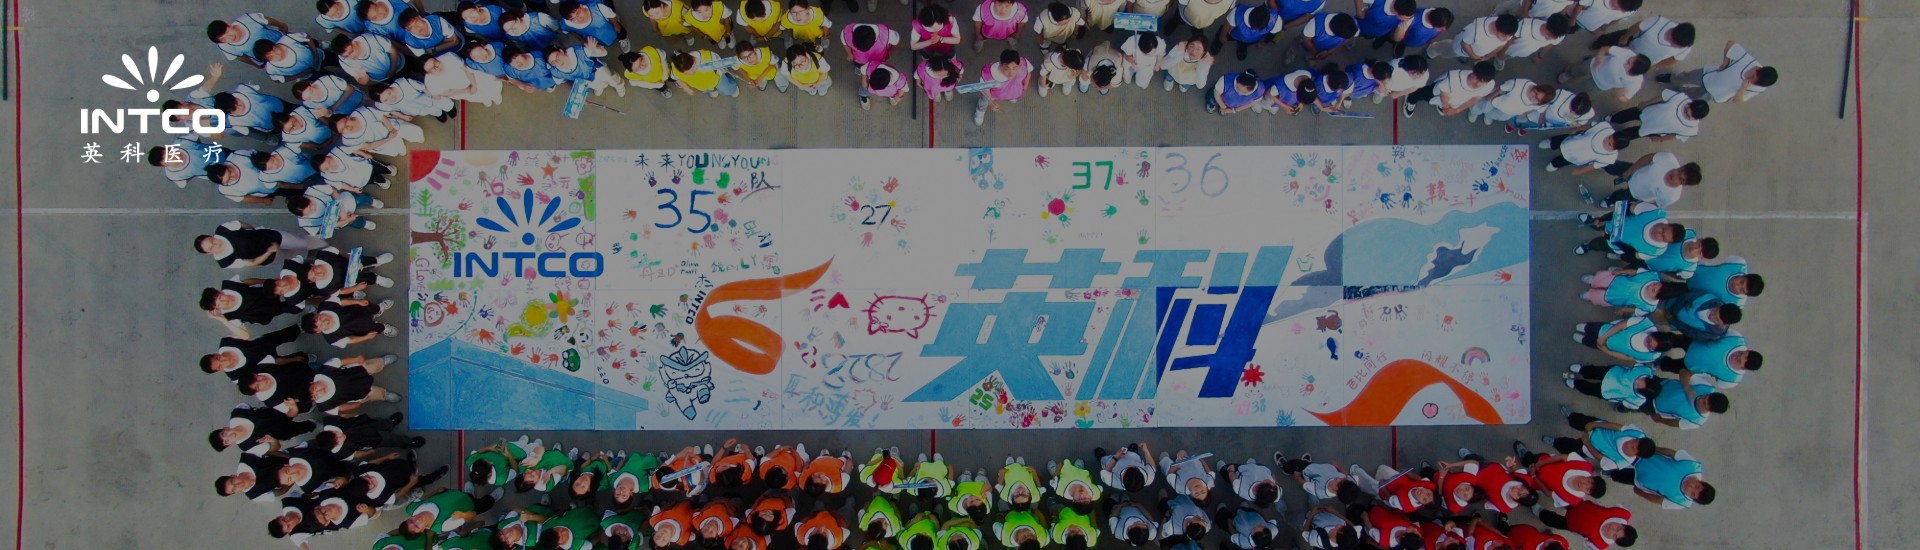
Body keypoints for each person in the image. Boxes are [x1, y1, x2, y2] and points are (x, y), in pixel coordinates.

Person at [1546, 407, 1657, 472]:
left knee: (1570, 447)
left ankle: (1555, 442)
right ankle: (1571, 416)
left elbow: (1599, 456)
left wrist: (1586, 442)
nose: (1629, 443)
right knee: (1581, 420)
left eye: (1633, 448)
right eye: (1634, 441)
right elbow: (1616, 427)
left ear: (1637, 455)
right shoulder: (1638, 434)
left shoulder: (1619, 462)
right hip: (1599, 428)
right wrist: (1594, 424)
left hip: (1589, 447)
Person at [1663, 40, 1775, 104]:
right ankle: (1671, 79)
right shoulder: (1746, 60)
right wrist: (1726, 61)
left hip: (1713, 94)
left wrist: (1743, 89)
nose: (1751, 80)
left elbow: (1737, 101)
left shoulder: (1758, 87)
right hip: (1708, 74)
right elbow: (1731, 43)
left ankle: (1676, 94)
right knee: (1686, 77)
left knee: (1691, 96)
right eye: (1753, 76)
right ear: (1757, 69)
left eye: (1754, 82)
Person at [198, 220, 328, 269]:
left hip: (270, 236)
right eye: (211, 247)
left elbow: (241, 224)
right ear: (209, 253)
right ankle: (307, 241)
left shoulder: (222, 230)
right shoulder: (225, 261)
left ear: (211, 236)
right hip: (269, 256)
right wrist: (269, 251)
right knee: (293, 254)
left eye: (212, 240)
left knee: (302, 244)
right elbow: (252, 262)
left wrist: (254, 231)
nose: (216, 244)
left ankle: (324, 242)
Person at [305, 355, 403, 416]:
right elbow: (341, 408)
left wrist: (356, 359)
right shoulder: (325, 406)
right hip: (356, 393)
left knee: (369, 366)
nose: (319, 391)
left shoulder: (324, 370)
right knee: (371, 394)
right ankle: (384, 395)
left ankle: (382, 361)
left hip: (355, 372)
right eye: (316, 396)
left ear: (312, 382)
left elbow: (340, 362)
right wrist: (353, 406)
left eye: (315, 388)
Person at [1656, 331, 1759, 387]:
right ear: (1747, 350)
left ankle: (1658, 362)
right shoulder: (1736, 338)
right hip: (1692, 342)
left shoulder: (1731, 380)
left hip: (1691, 366)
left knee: (1668, 365)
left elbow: (1717, 380)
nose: (1735, 356)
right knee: (1671, 339)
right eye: (1740, 353)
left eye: (1738, 361)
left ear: (1743, 368)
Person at [1573, 315, 1686, 365]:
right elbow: (1621, 325)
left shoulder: (1651, 357)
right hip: (1606, 330)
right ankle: (1585, 328)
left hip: (1608, 347)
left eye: (1649, 346)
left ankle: (1583, 339)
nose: (1646, 343)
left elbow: (1627, 357)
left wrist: (1605, 350)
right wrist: (1604, 337)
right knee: (1590, 327)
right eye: (1649, 339)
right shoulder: (1646, 323)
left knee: (1588, 342)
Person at [212, 403, 317, 456]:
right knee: (306, 427)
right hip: (283, 431)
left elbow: (247, 407)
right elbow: (276, 448)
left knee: (300, 406)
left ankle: (309, 406)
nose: (230, 436)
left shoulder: (237, 413)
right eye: (227, 441)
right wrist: (272, 440)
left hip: (278, 411)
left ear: (225, 428)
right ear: (230, 445)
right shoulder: (248, 447)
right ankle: (313, 423)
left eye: (224, 434)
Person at [1596, 15, 1692, 72]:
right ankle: (1595, 46)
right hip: (1631, 43)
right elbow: (1638, 26)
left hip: (1640, 61)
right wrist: (1625, 37)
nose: (1673, 46)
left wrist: (1656, 66)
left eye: (1676, 46)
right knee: (1608, 41)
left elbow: (1674, 59)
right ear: (1673, 30)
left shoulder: (1685, 47)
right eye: (1673, 43)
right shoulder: (1658, 21)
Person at [1403, 61, 1496, 119]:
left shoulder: (1490, 84)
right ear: (1473, 71)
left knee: (1446, 103)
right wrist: (1447, 108)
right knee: (1421, 94)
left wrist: (1457, 110)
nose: (1478, 84)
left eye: (1482, 82)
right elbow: (1443, 94)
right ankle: (1411, 98)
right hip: (1437, 92)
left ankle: (1441, 106)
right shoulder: (1454, 78)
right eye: (1477, 78)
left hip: (1454, 100)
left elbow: (1475, 98)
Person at [1559, 46, 1649, 103]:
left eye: (1628, 63)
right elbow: (1605, 49)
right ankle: (1567, 74)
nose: (1626, 61)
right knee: (1576, 70)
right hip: (1593, 65)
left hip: (1600, 84)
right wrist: (1600, 58)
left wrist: (1620, 96)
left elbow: (1625, 99)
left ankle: (1567, 97)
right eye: (1629, 59)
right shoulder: (1628, 53)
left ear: (1633, 71)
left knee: (1580, 94)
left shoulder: (1635, 83)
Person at [1610, 89, 1708, 143]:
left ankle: (1615, 139)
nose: (1685, 109)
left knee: (1631, 134)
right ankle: (1612, 119)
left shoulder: (1691, 129)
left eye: (1687, 113)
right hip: (1648, 111)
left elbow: (1674, 136)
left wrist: (1660, 139)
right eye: (1687, 107)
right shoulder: (1681, 98)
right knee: (1627, 115)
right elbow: (1662, 96)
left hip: (1653, 129)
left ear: (1695, 118)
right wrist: (1645, 103)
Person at [400, 487, 502, 537]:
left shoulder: (411, 509)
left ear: (408, 518)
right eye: (417, 526)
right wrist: (463, 515)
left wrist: (436, 492)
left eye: (411, 521)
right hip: (470, 506)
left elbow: (422, 500)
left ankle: (469, 493)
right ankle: (492, 498)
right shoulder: (443, 525)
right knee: (484, 504)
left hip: (455, 494)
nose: (417, 521)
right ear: (422, 530)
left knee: (467, 495)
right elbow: (473, 515)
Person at [203, 277, 303, 327]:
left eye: (220, 297)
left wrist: (264, 281)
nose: (224, 300)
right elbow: (246, 336)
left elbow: (247, 282)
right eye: (219, 303)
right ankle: (307, 303)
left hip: (263, 293)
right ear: (217, 308)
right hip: (265, 311)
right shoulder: (229, 317)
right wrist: (222, 319)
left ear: (220, 291)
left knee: (290, 289)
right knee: (295, 308)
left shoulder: (229, 285)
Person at [303, 295, 397, 347]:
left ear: (316, 313)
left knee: (368, 305)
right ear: (318, 331)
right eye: (321, 325)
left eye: (320, 318)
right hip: (359, 327)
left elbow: (342, 302)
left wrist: (358, 302)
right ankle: (383, 328)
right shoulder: (332, 339)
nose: (325, 321)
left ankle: (378, 309)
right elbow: (351, 340)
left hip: (357, 310)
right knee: (372, 329)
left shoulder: (325, 305)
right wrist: (366, 337)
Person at [1538, 501, 1635, 550]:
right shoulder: (1623, 514)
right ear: (1623, 524)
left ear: (1614, 541)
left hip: (1572, 524)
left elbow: (1587, 543)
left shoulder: (1600, 545)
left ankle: (1539, 511)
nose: (1611, 530)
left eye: (1614, 535)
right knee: (1564, 498)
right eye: (1618, 528)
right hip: (1580, 505)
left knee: (1553, 520)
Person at [1648, 371, 1728, 430]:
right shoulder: (1707, 387)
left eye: (1704, 403)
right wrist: (1687, 388)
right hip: (1661, 383)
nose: (1701, 399)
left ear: (1710, 410)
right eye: (1706, 396)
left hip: (1652, 405)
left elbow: (1678, 424)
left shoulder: (1696, 421)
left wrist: (1661, 420)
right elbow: (1684, 372)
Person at [1564, 363, 1659, 411]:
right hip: (1612, 373)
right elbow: (1637, 366)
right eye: (1642, 379)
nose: (1638, 380)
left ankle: (1577, 384)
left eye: (1638, 385)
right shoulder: (1646, 371)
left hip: (1608, 391)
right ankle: (1582, 370)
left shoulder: (1637, 401)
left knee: (1590, 389)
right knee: (1595, 371)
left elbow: (1626, 404)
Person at [1538, 122, 1625, 175]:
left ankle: (1555, 164)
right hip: (1574, 140)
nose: (1605, 140)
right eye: (1609, 137)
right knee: (1560, 140)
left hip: (1579, 156)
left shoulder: (1610, 158)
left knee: (1565, 160)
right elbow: (1590, 126)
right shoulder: (1605, 127)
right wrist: (1578, 129)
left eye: (1609, 144)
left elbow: (1593, 166)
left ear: (1615, 149)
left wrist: (1580, 171)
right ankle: (1551, 143)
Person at [549, 39, 628, 97]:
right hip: (587, 80)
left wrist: (595, 48)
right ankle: (599, 87)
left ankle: (619, 85)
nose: (558, 61)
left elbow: (604, 53)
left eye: (557, 56)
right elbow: (555, 81)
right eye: (553, 62)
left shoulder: (578, 51)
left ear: (561, 51)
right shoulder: (557, 72)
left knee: (611, 78)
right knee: (595, 85)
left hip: (597, 70)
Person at [973, 49, 1032, 126]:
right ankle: (980, 111)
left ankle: (1012, 97)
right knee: (984, 100)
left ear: (1019, 64)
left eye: (1014, 68)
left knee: (1013, 94)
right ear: (1000, 64)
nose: (1011, 73)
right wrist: (990, 101)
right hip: (993, 95)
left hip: (1014, 90)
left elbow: (1028, 72)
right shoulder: (989, 74)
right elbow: (985, 89)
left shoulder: (1023, 64)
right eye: (1007, 68)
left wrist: (1026, 82)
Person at [1278, 453, 1361, 505]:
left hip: (1306, 473)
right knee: (1308, 465)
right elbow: (1342, 470)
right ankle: (1306, 464)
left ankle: (1285, 467)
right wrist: (1336, 467)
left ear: (1337, 492)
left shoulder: (1318, 490)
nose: (1338, 478)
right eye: (1343, 480)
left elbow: (1303, 484)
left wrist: (1296, 476)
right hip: (1318, 469)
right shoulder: (1349, 483)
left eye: (1338, 484)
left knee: (1296, 464)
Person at [209, 13, 291, 66]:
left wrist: (282, 25)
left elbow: (268, 20)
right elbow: (240, 57)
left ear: (229, 25)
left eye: (227, 32)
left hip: (281, 41)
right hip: (268, 59)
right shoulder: (225, 47)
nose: (230, 37)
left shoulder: (248, 19)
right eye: (223, 39)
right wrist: (256, 64)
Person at [1430, 14, 1517, 64]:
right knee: (1446, 49)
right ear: (1497, 28)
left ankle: (1464, 56)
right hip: (1459, 48)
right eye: (1505, 36)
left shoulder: (1505, 32)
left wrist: (1488, 56)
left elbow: (1501, 45)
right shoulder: (1476, 29)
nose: (1507, 39)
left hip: (1474, 54)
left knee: (1464, 54)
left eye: (1509, 36)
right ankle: (1431, 50)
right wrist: (1475, 57)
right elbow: (1464, 44)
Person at [1579, 267, 1670, 314]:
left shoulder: (1649, 307)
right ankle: (1593, 280)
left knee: (1600, 297)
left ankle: (1590, 295)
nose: (1650, 286)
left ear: (1657, 298)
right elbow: (1636, 272)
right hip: (1616, 280)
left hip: (1616, 298)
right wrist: (1621, 271)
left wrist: (1624, 309)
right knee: (1602, 280)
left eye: (1653, 290)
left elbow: (1635, 310)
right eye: (1654, 284)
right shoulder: (1652, 276)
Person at [1469, 77, 1553, 127]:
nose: (1533, 99)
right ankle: (1474, 112)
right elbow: (1502, 88)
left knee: (1498, 116)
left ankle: (1488, 115)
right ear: (1536, 88)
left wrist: (1525, 113)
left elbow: (1539, 109)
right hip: (1497, 100)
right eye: (1535, 93)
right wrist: (1491, 96)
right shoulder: (1519, 84)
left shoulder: (1541, 104)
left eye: (1537, 100)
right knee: (1482, 106)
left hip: (1509, 112)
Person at [1661, 290, 1741, 341]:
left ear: (1724, 324)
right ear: (1720, 306)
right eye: (1715, 311)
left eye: (1716, 319)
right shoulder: (1709, 298)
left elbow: (1690, 332)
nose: (1711, 316)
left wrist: (1672, 320)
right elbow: (1686, 296)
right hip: (1671, 301)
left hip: (1672, 322)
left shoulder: (1713, 332)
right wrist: (1674, 311)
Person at [329, 33, 407, 85]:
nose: (351, 57)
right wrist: (363, 77)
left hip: (399, 65)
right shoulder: (344, 62)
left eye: (351, 52)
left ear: (353, 42)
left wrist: (393, 69)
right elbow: (363, 82)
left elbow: (393, 51)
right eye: (346, 56)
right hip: (383, 78)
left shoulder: (372, 40)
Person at [1216, 3, 1280, 61]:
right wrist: (1222, 36)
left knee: (1246, 43)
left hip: (1253, 39)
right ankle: (1219, 40)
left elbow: (1272, 34)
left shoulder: (1276, 21)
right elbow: (1227, 25)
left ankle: (1242, 46)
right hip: (1235, 34)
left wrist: (1264, 42)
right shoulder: (1236, 13)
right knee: (1228, 36)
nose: (1254, 31)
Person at [1502, 14, 1571, 67]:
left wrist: (1539, 56)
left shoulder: (1558, 35)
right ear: (1546, 25)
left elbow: (1552, 44)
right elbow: (1510, 38)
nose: (1552, 39)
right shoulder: (1525, 25)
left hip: (1515, 54)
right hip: (1506, 49)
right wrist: (1502, 52)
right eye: (1549, 35)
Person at [1514, 87, 1592, 135]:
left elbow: (1579, 123)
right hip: (1541, 114)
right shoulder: (1560, 95)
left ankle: (1525, 128)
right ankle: (1514, 124)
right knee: (1524, 119)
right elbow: (1543, 103)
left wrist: (1572, 121)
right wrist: (1541, 116)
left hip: (1552, 123)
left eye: (1576, 113)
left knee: (1534, 126)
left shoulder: (1589, 114)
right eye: (1571, 109)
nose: (1571, 113)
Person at [1289, 12, 1359, 63]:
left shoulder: (1352, 25)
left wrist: (1329, 52)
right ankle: (1292, 52)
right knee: (1299, 47)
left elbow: (1347, 40)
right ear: (1334, 34)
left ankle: (1310, 58)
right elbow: (1306, 40)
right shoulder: (1314, 24)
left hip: (1324, 49)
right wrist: (1316, 54)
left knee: (1310, 56)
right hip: (1306, 45)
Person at [560, 0, 630, 51]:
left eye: (578, 13)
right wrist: (583, 42)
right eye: (572, 19)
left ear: (581, 6)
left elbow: (612, 18)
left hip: (609, 27)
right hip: (597, 38)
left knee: (620, 31)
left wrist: (615, 24)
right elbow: (571, 33)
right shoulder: (565, 25)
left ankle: (623, 38)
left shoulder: (599, 8)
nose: (578, 18)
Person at [1572, 0, 1640, 34]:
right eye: (1618, 4)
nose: (1618, 9)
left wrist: (1606, 26)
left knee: (1578, 28)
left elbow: (1617, 19)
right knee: (1572, 28)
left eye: (1623, 10)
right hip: (1578, 19)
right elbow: (1580, 5)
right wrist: (1572, 20)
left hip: (1591, 25)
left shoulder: (1630, 11)